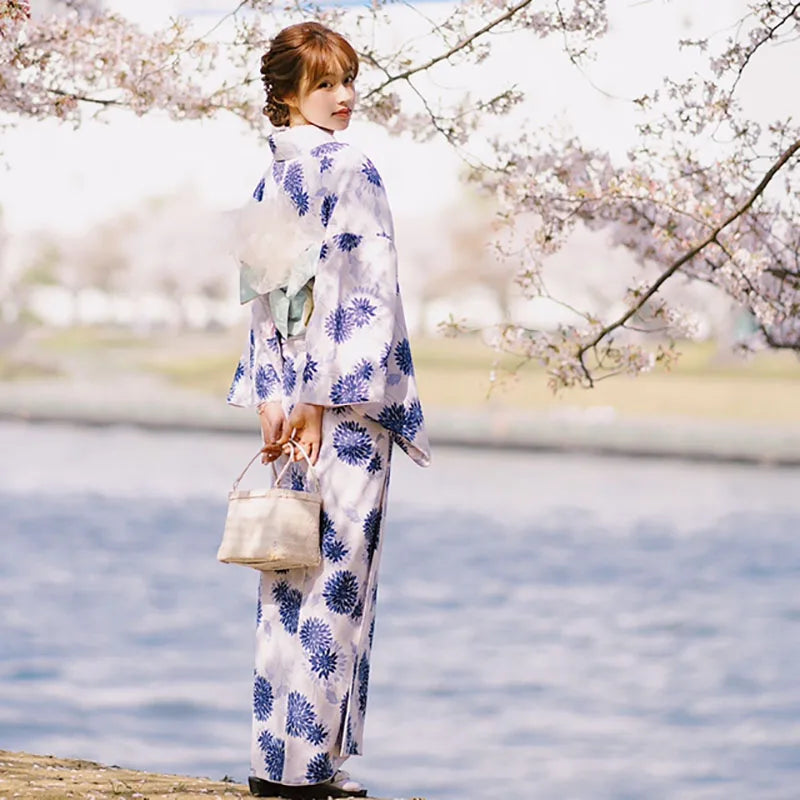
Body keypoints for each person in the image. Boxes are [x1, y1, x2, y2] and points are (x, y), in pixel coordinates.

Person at [226, 20, 431, 800]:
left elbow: (263, 304)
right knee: (338, 577)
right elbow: (363, 293)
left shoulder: (269, 176)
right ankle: (312, 770)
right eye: (325, 84)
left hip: (295, 406)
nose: (346, 97)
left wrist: (274, 399)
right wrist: (315, 397)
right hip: (341, 407)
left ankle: (273, 763)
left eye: (349, 79)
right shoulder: (351, 167)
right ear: (287, 93)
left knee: (285, 576)